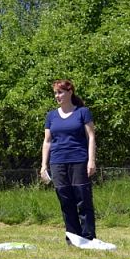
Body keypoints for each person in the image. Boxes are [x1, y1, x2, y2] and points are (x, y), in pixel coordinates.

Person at [40, 79, 97, 242]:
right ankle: (73, 238)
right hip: (57, 163)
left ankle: (88, 238)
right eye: (55, 93)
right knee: (66, 200)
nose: (57, 96)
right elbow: (47, 141)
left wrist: (91, 160)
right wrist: (44, 165)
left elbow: (91, 137)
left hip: (79, 160)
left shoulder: (83, 112)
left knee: (83, 200)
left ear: (70, 92)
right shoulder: (51, 116)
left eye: (60, 92)